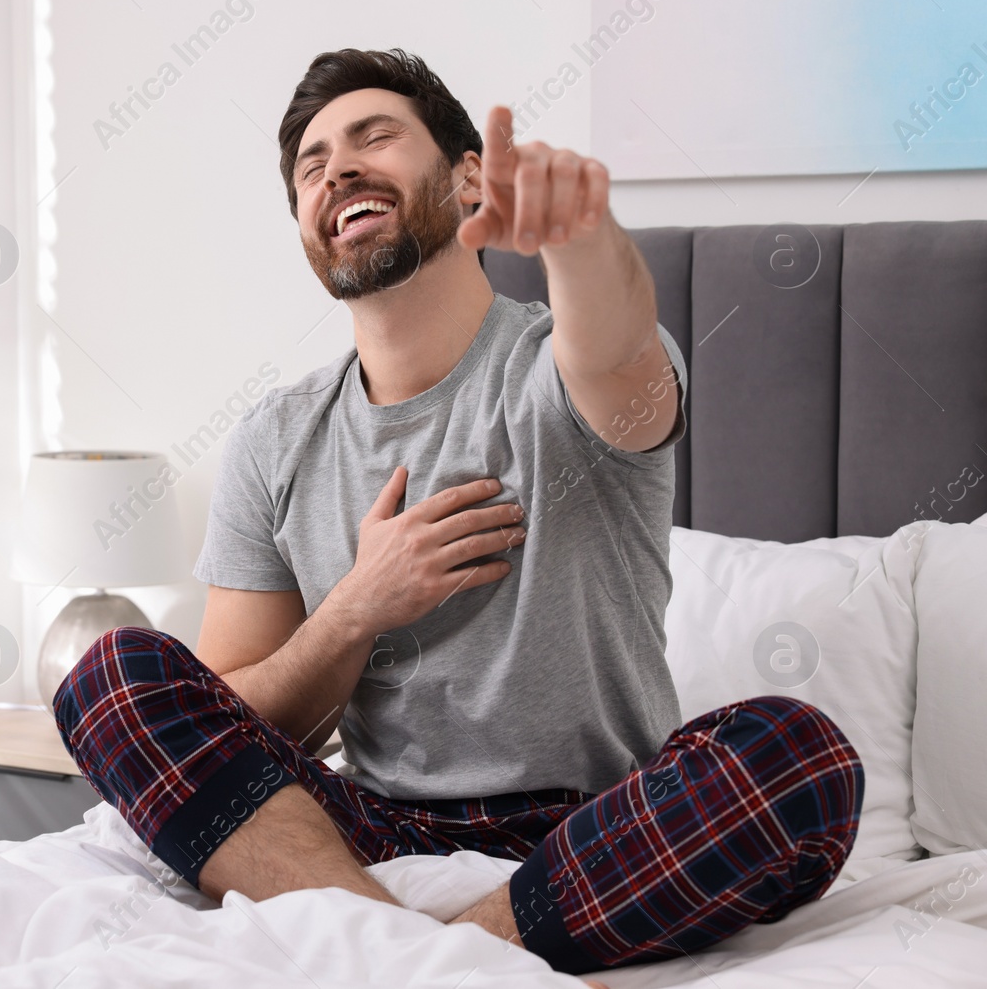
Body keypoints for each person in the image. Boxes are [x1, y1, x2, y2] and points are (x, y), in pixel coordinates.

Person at [53, 48, 862, 978]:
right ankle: (402, 947)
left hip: (593, 831)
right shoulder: (274, 439)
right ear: (309, 229)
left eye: (374, 138)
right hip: (369, 834)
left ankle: (422, 958)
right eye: (312, 167)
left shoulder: (556, 369)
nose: (338, 170)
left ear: (470, 175)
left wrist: (579, 237)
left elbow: (617, 346)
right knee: (109, 672)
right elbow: (235, 714)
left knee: (800, 757)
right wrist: (358, 607)